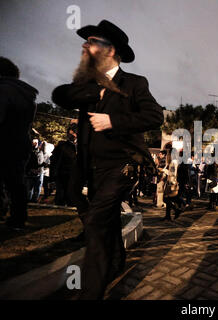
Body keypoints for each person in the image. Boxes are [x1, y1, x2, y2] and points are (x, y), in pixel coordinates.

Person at [52, 20, 164, 299]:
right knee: (106, 217)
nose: (84, 46)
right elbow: (59, 95)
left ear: (110, 50)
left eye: (91, 41)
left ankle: (91, 292)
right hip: (90, 167)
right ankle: (116, 262)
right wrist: (93, 92)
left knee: (98, 225)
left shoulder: (135, 83)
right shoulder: (87, 83)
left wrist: (113, 120)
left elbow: (154, 116)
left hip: (122, 166)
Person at [0, 57, 38, 229]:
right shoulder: (27, 96)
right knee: (16, 182)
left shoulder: (4, 90)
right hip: (20, 142)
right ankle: (18, 218)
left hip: (4, 139)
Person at [50, 124, 77, 206]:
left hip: (75, 176)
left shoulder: (81, 146)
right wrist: (52, 176)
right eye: (70, 133)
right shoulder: (62, 145)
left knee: (72, 197)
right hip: (62, 175)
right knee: (61, 195)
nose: (73, 135)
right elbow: (54, 160)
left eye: (74, 132)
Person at [161, 149, 184, 221]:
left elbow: (172, 174)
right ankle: (168, 215)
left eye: (168, 154)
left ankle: (176, 210)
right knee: (169, 199)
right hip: (172, 183)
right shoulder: (175, 162)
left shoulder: (173, 162)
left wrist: (163, 170)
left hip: (171, 184)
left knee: (165, 199)